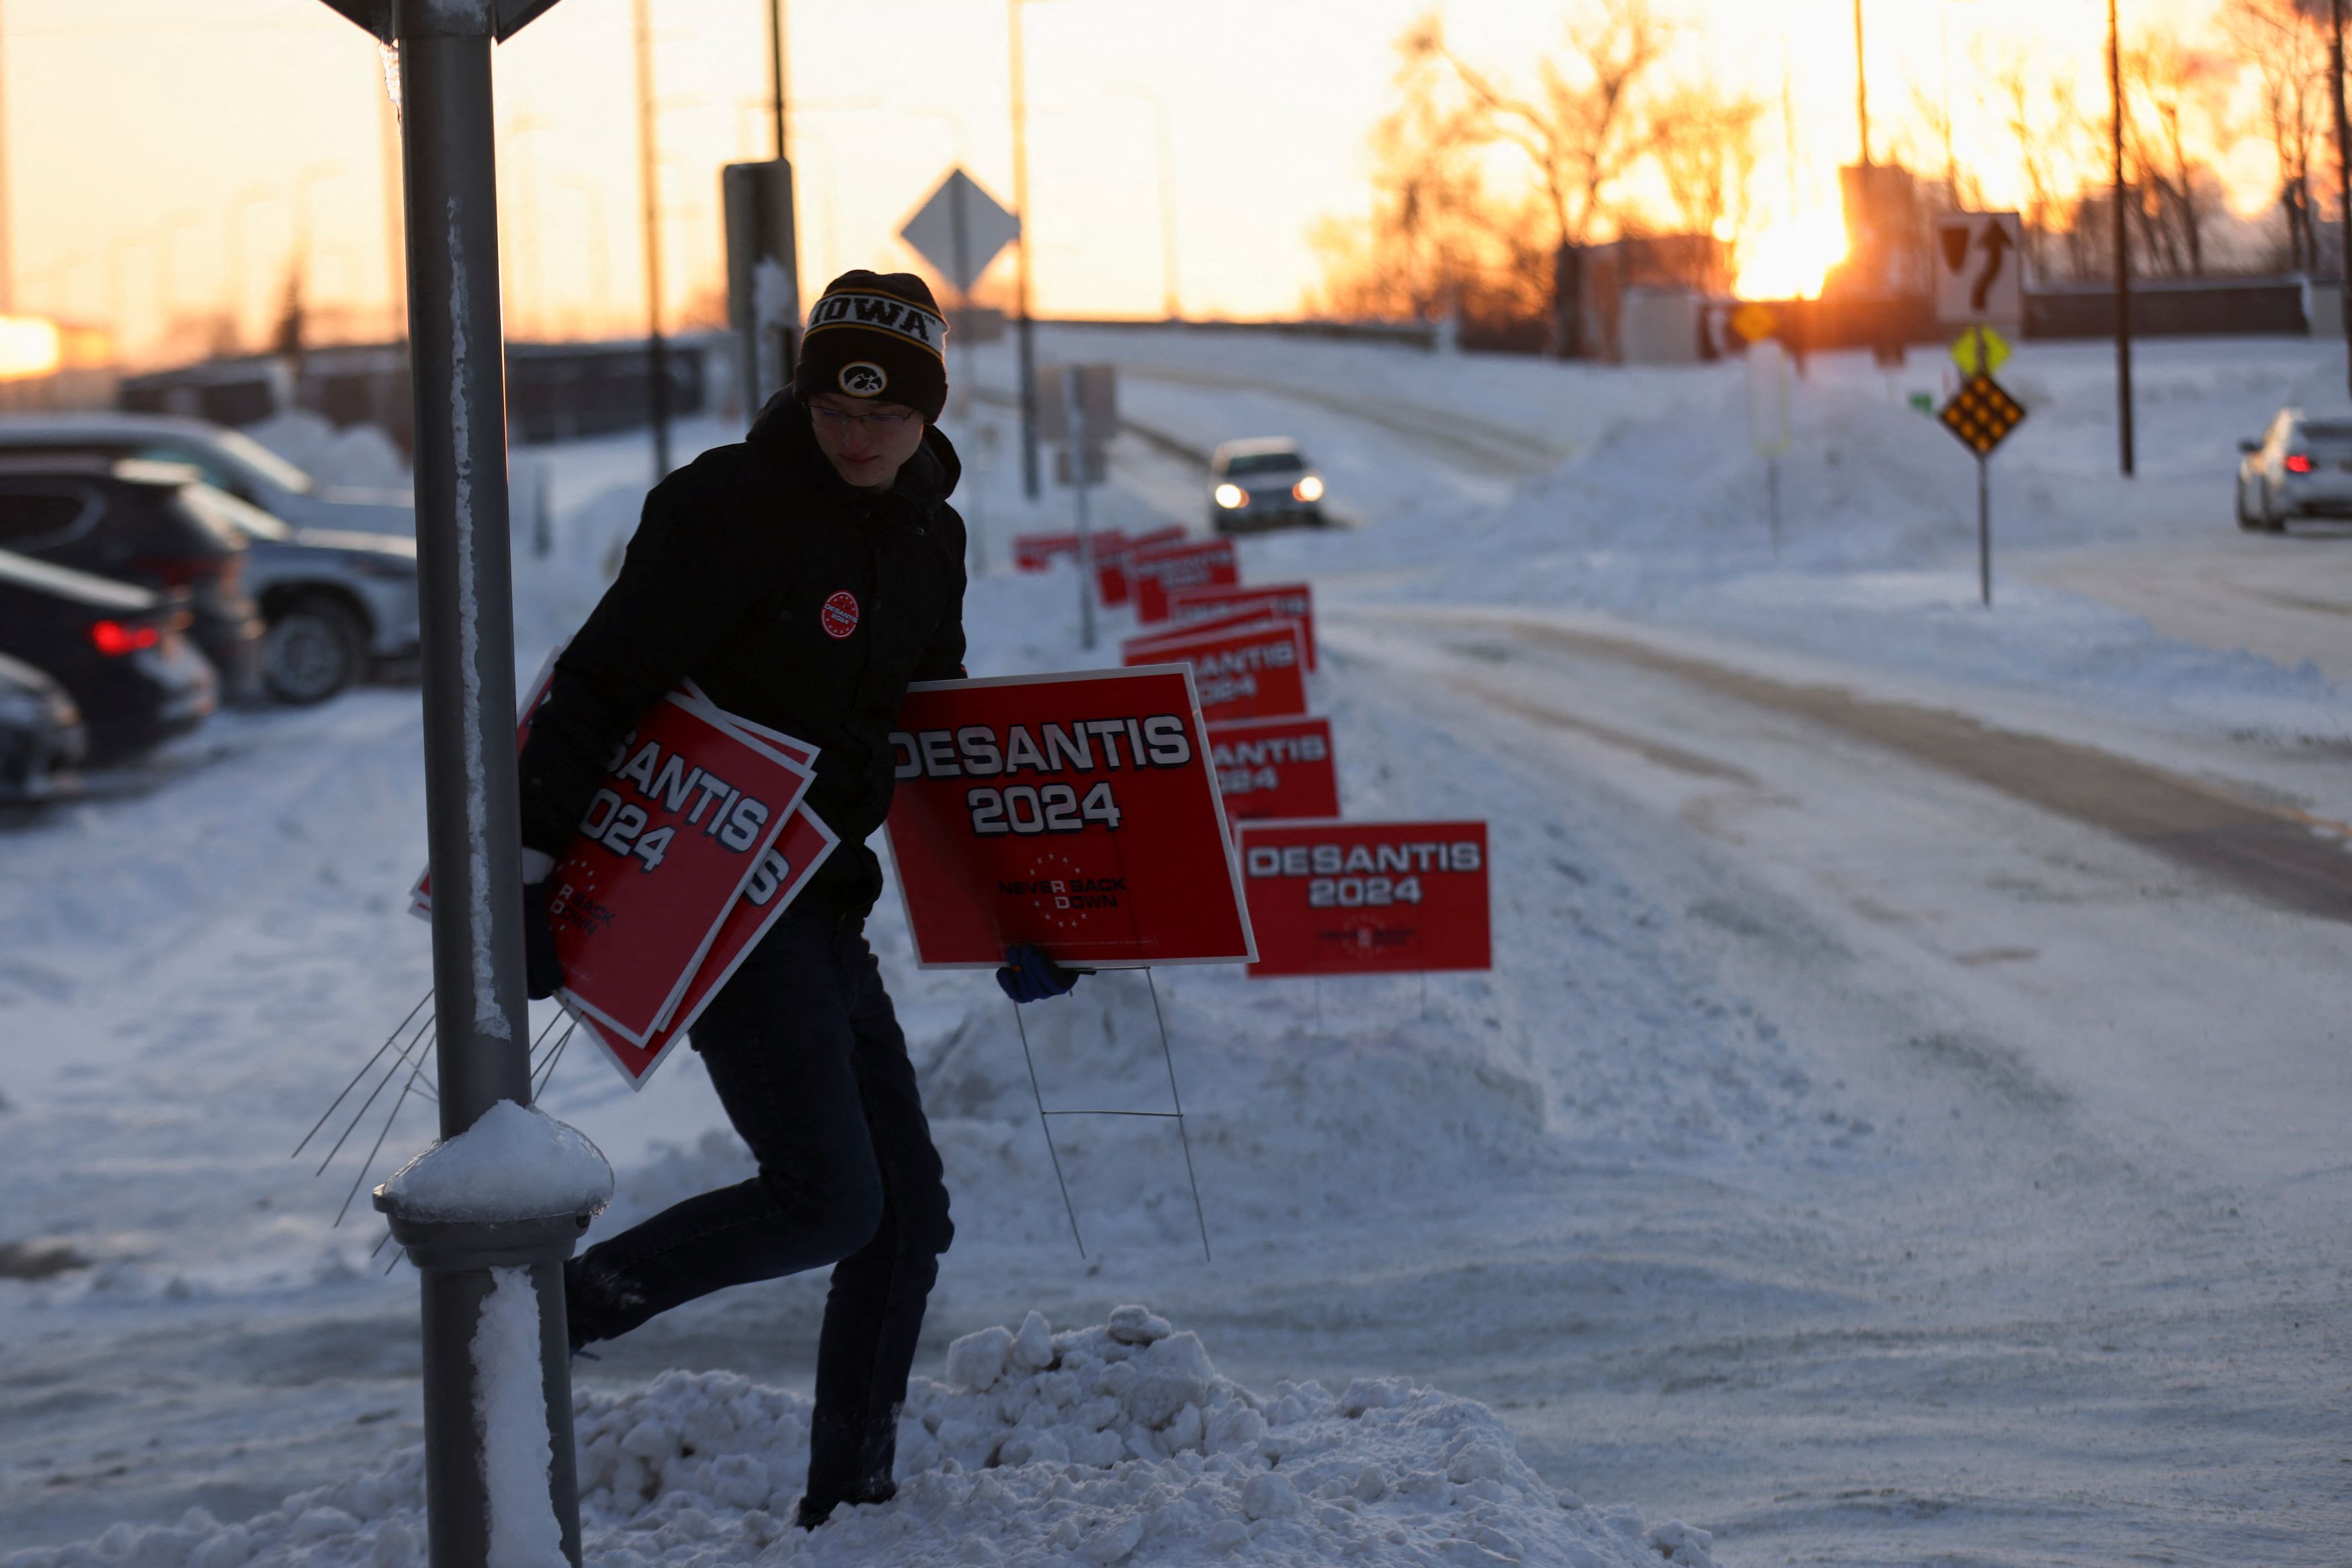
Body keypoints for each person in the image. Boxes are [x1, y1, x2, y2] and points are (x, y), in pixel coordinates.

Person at [511, 269, 1076, 1529]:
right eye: (836, 401)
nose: (859, 430)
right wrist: (533, 879)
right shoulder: (728, 507)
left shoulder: (934, 535)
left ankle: (852, 1500)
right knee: (830, 1197)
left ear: (930, 413)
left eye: (887, 411)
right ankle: (554, 1311)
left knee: (904, 1216)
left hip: (819, 903)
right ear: (805, 391)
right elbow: (597, 686)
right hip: (707, 906)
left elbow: (934, 735)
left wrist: (1015, 912)